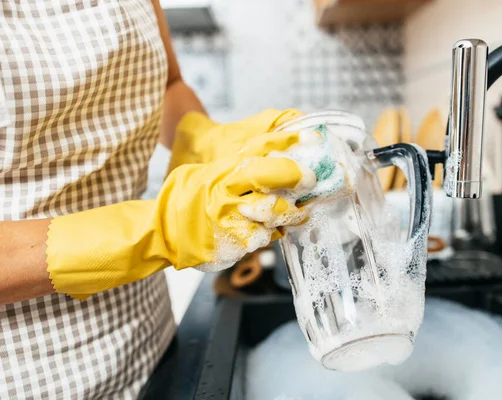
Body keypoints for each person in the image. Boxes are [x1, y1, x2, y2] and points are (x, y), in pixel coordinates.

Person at [0, 1, 311, 398]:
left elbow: (168, 84)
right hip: (40, 378)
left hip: (153, 342)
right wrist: (153, 231)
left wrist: (205, 139)